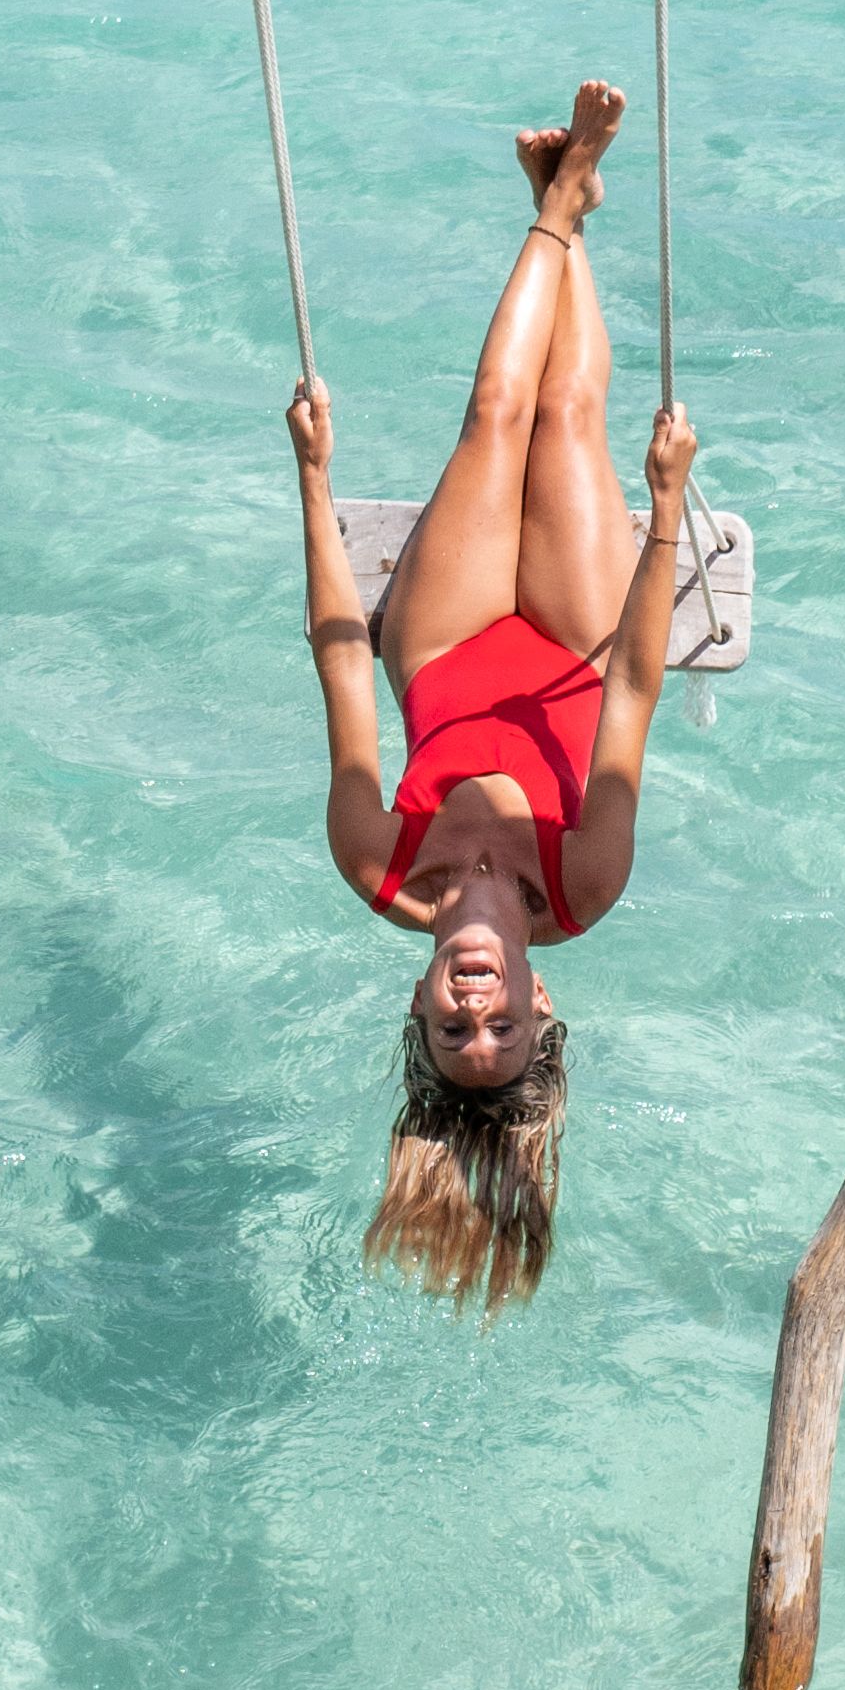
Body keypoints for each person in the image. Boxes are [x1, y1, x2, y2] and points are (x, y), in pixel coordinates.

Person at [287, 77, 701, 1316]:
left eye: (452, 1032)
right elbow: (634, 682)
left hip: (449, 633)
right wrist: (665, 509)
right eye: (502, 1033)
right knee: (571, 417)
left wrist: (314, 481)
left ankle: (559, 210)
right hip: (578, 639)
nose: (477, 1015)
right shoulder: (586, 883)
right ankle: (558, 204)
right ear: (541, 1003)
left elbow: (338, 656)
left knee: (495, 412)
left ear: (415, 1006)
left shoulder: (376, 861)